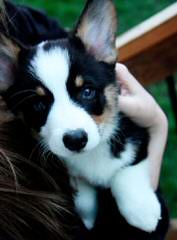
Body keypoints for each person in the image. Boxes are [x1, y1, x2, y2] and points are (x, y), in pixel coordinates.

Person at [0, 1, 168, 240]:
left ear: (101, 50)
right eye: (39, 104)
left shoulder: (22, 19)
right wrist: (157, 126)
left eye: (86, 92)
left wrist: (155, 126)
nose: (72, 128)